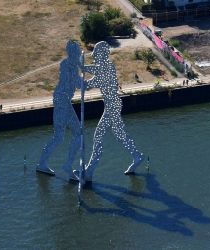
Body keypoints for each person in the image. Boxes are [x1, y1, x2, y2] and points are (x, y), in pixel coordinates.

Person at [81, 41, 144, 181]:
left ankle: (89, 171)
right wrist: (83, 83)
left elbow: (96, 75)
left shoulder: (108, 66)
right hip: (112, 105)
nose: (95, 57)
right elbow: (92, 82)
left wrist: (82, 67)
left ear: (102, 54)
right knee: (120, 134)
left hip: (112, 106)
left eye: (96, 55)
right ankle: (136, 156)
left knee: (98, 136)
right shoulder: (103, 68)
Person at [37, 41, 84, 175]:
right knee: (78, 134)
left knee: (59, 137)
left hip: (60, 101)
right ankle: (68, 165)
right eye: (78, 53)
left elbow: (77, 82)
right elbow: (76, 82)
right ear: (73, 53)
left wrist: (81, 72)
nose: (80, 55)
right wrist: (85, 78)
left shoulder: (71, 65)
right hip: (63, 102)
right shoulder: (68, 65)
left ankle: (42, 163)